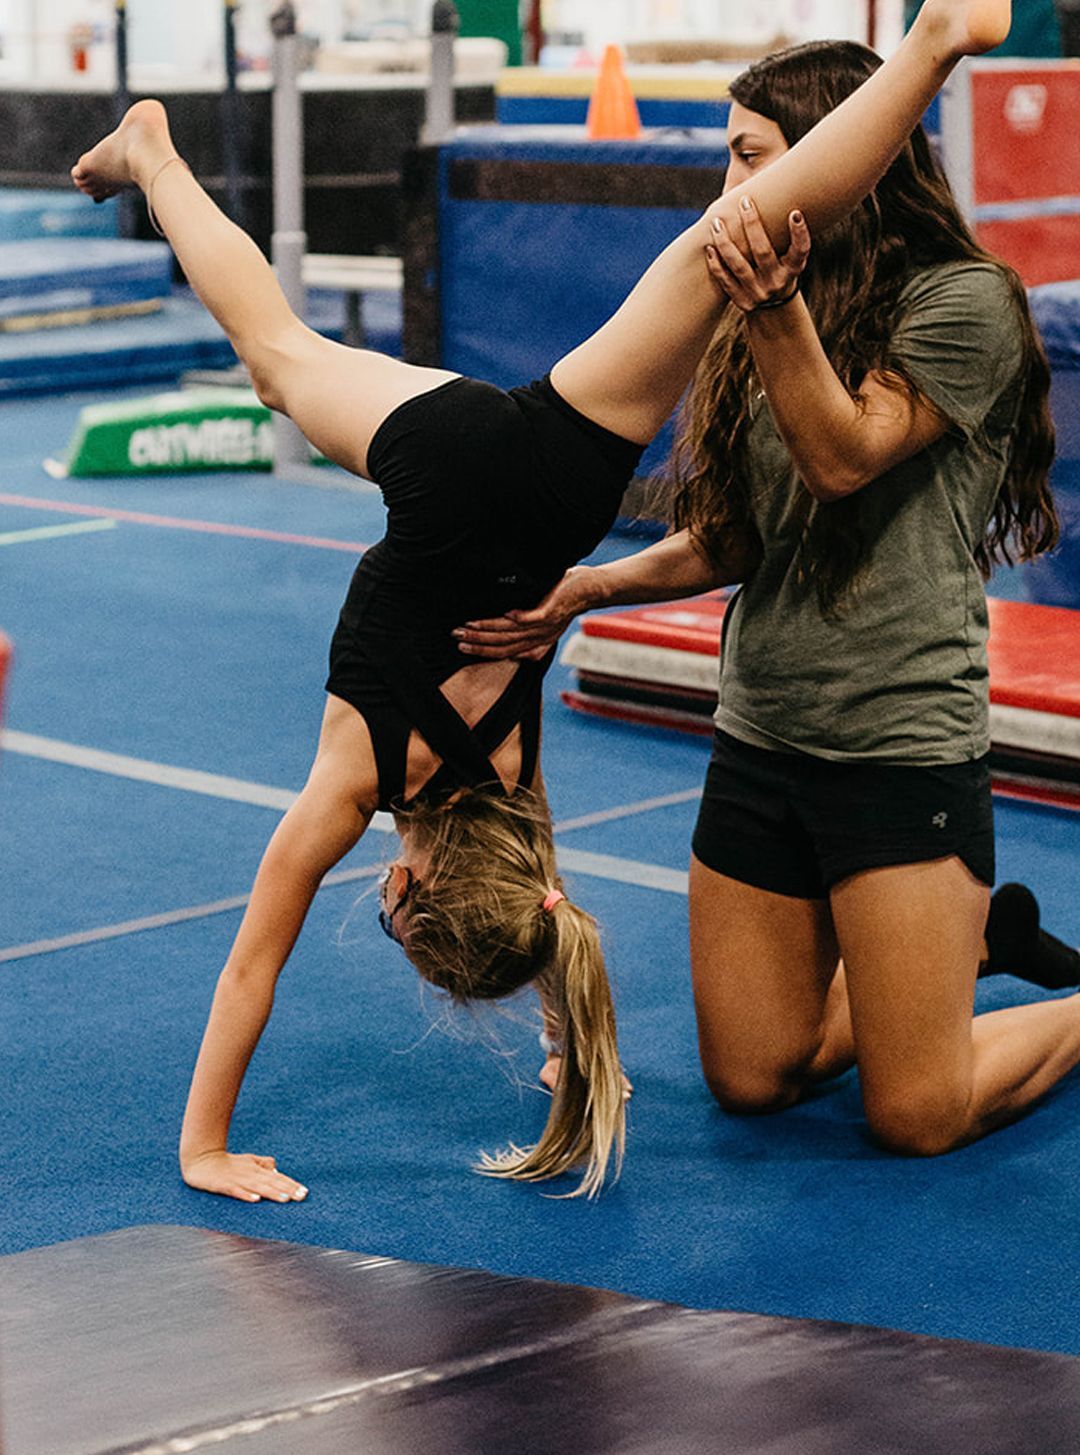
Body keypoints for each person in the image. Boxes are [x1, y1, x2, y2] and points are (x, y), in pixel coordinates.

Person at [71, 0, 1013, 1201]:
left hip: (560, 483)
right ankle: (155, 152)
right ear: (405, 884)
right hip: (446, 465)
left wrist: (580, 1056)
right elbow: (251, 967)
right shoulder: (356, 786)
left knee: (713, 248)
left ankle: (929, 45)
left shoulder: (517, 791)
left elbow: (560, 924)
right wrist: (204, 1146)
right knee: (272, 353)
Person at [456, 33, 1080, 1159]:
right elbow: (741, 534)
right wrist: (583, 589)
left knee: (917, 1115)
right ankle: (966, 948)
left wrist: (774, 308)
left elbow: (846, 457)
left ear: (851, 155)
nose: (732, 190)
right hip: (762, 735)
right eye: (730, 162)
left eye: (755, 157)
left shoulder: (964, 299)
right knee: (753, 1080)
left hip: (897, 745)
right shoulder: (770, 320)